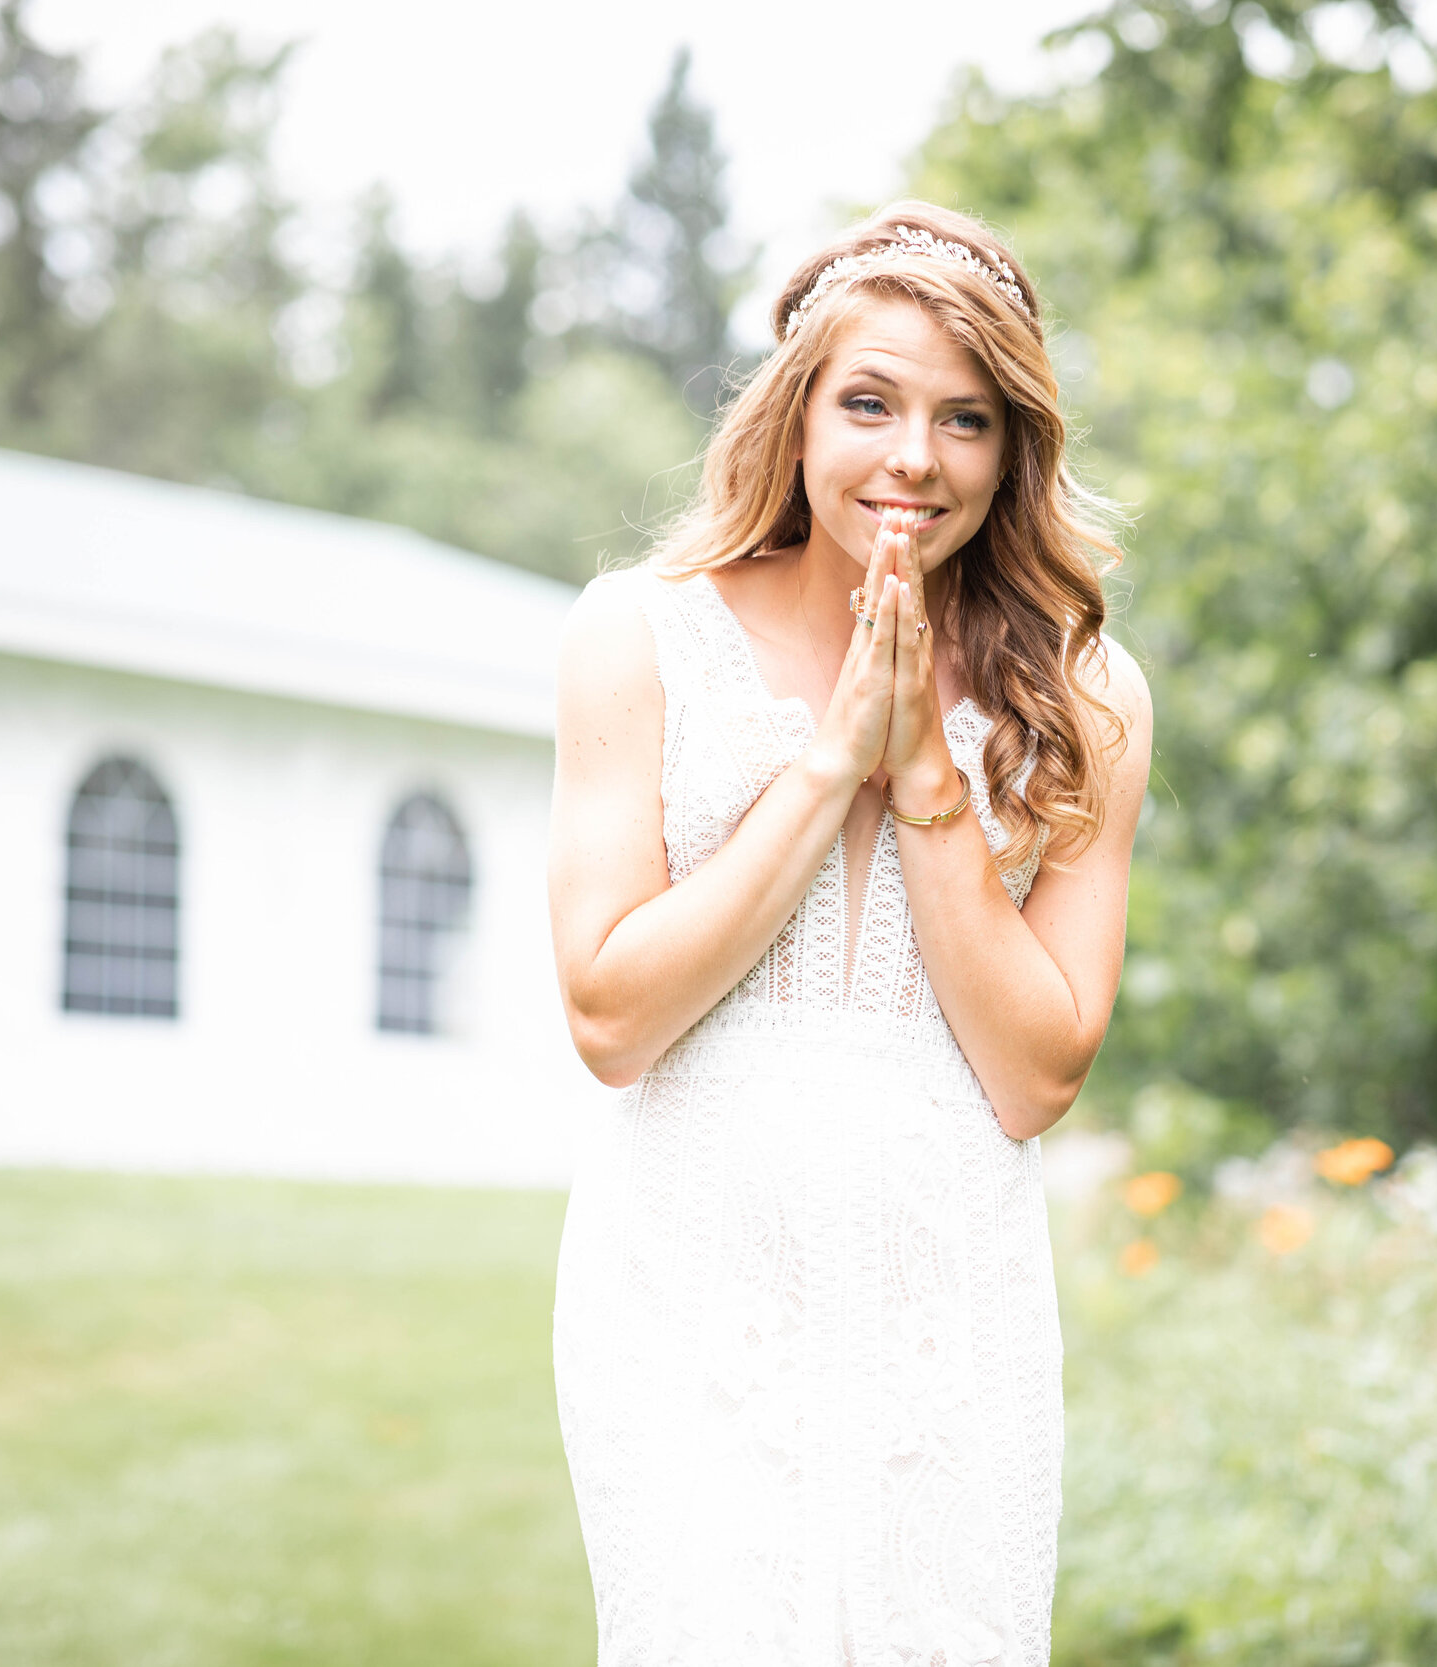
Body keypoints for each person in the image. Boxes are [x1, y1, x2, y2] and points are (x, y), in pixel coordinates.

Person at [546, 200, 1153, 1667]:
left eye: (966, 419)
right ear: (798, 412)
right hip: (692, 1293)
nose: (913, 458)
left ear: (1013, 450)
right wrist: (831, 765)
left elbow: (1036, 1076)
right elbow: (612, 1020)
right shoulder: (641, 636)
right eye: (870, 401)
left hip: (950, 1302)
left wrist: (926, 773)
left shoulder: (1091, 698)